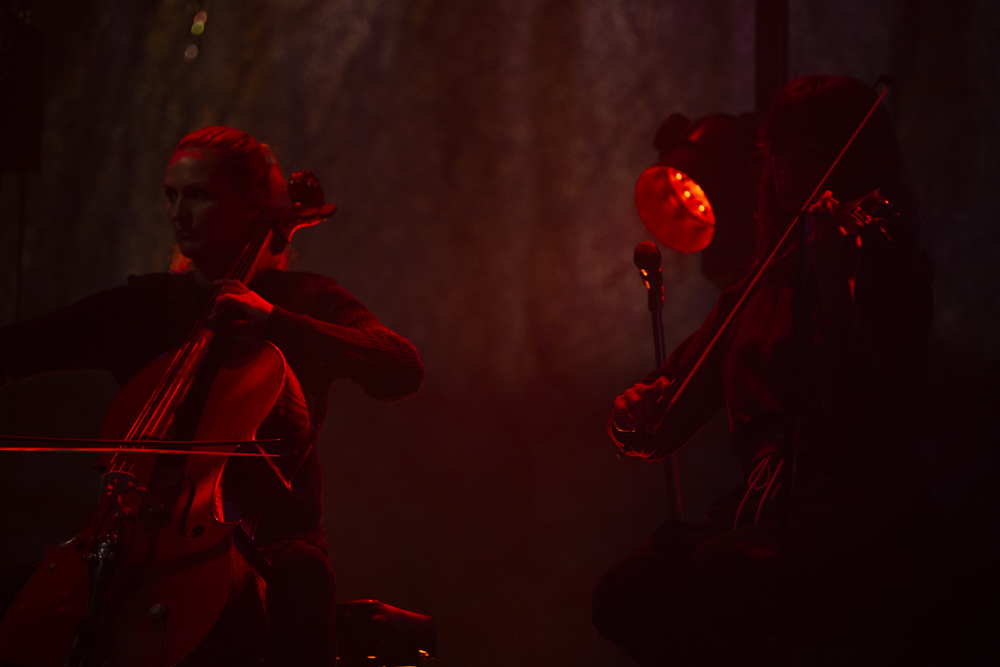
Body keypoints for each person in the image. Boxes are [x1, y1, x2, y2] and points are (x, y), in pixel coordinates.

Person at [0, 126, 424, 665]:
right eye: (171, 195)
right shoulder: (145, 305)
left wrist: (274, 321)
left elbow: (399, 366)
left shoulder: (307, 299)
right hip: (124, 543)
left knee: (301, 576)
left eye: (198, 195)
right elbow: (15, 350)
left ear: (250, 205)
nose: (179, 213)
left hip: (267, 547)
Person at [593, 75, 936, 665]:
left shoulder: (889, 269)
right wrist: (635, 414)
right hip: (760, 511)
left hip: (846, 515)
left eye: (805, 147)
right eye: (777, 146)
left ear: (844, 158)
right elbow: (669, 412)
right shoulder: (761, 281)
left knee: (715, 576)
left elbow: (861, 419)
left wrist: (834, 284)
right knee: (625, 592)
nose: (783, 163)